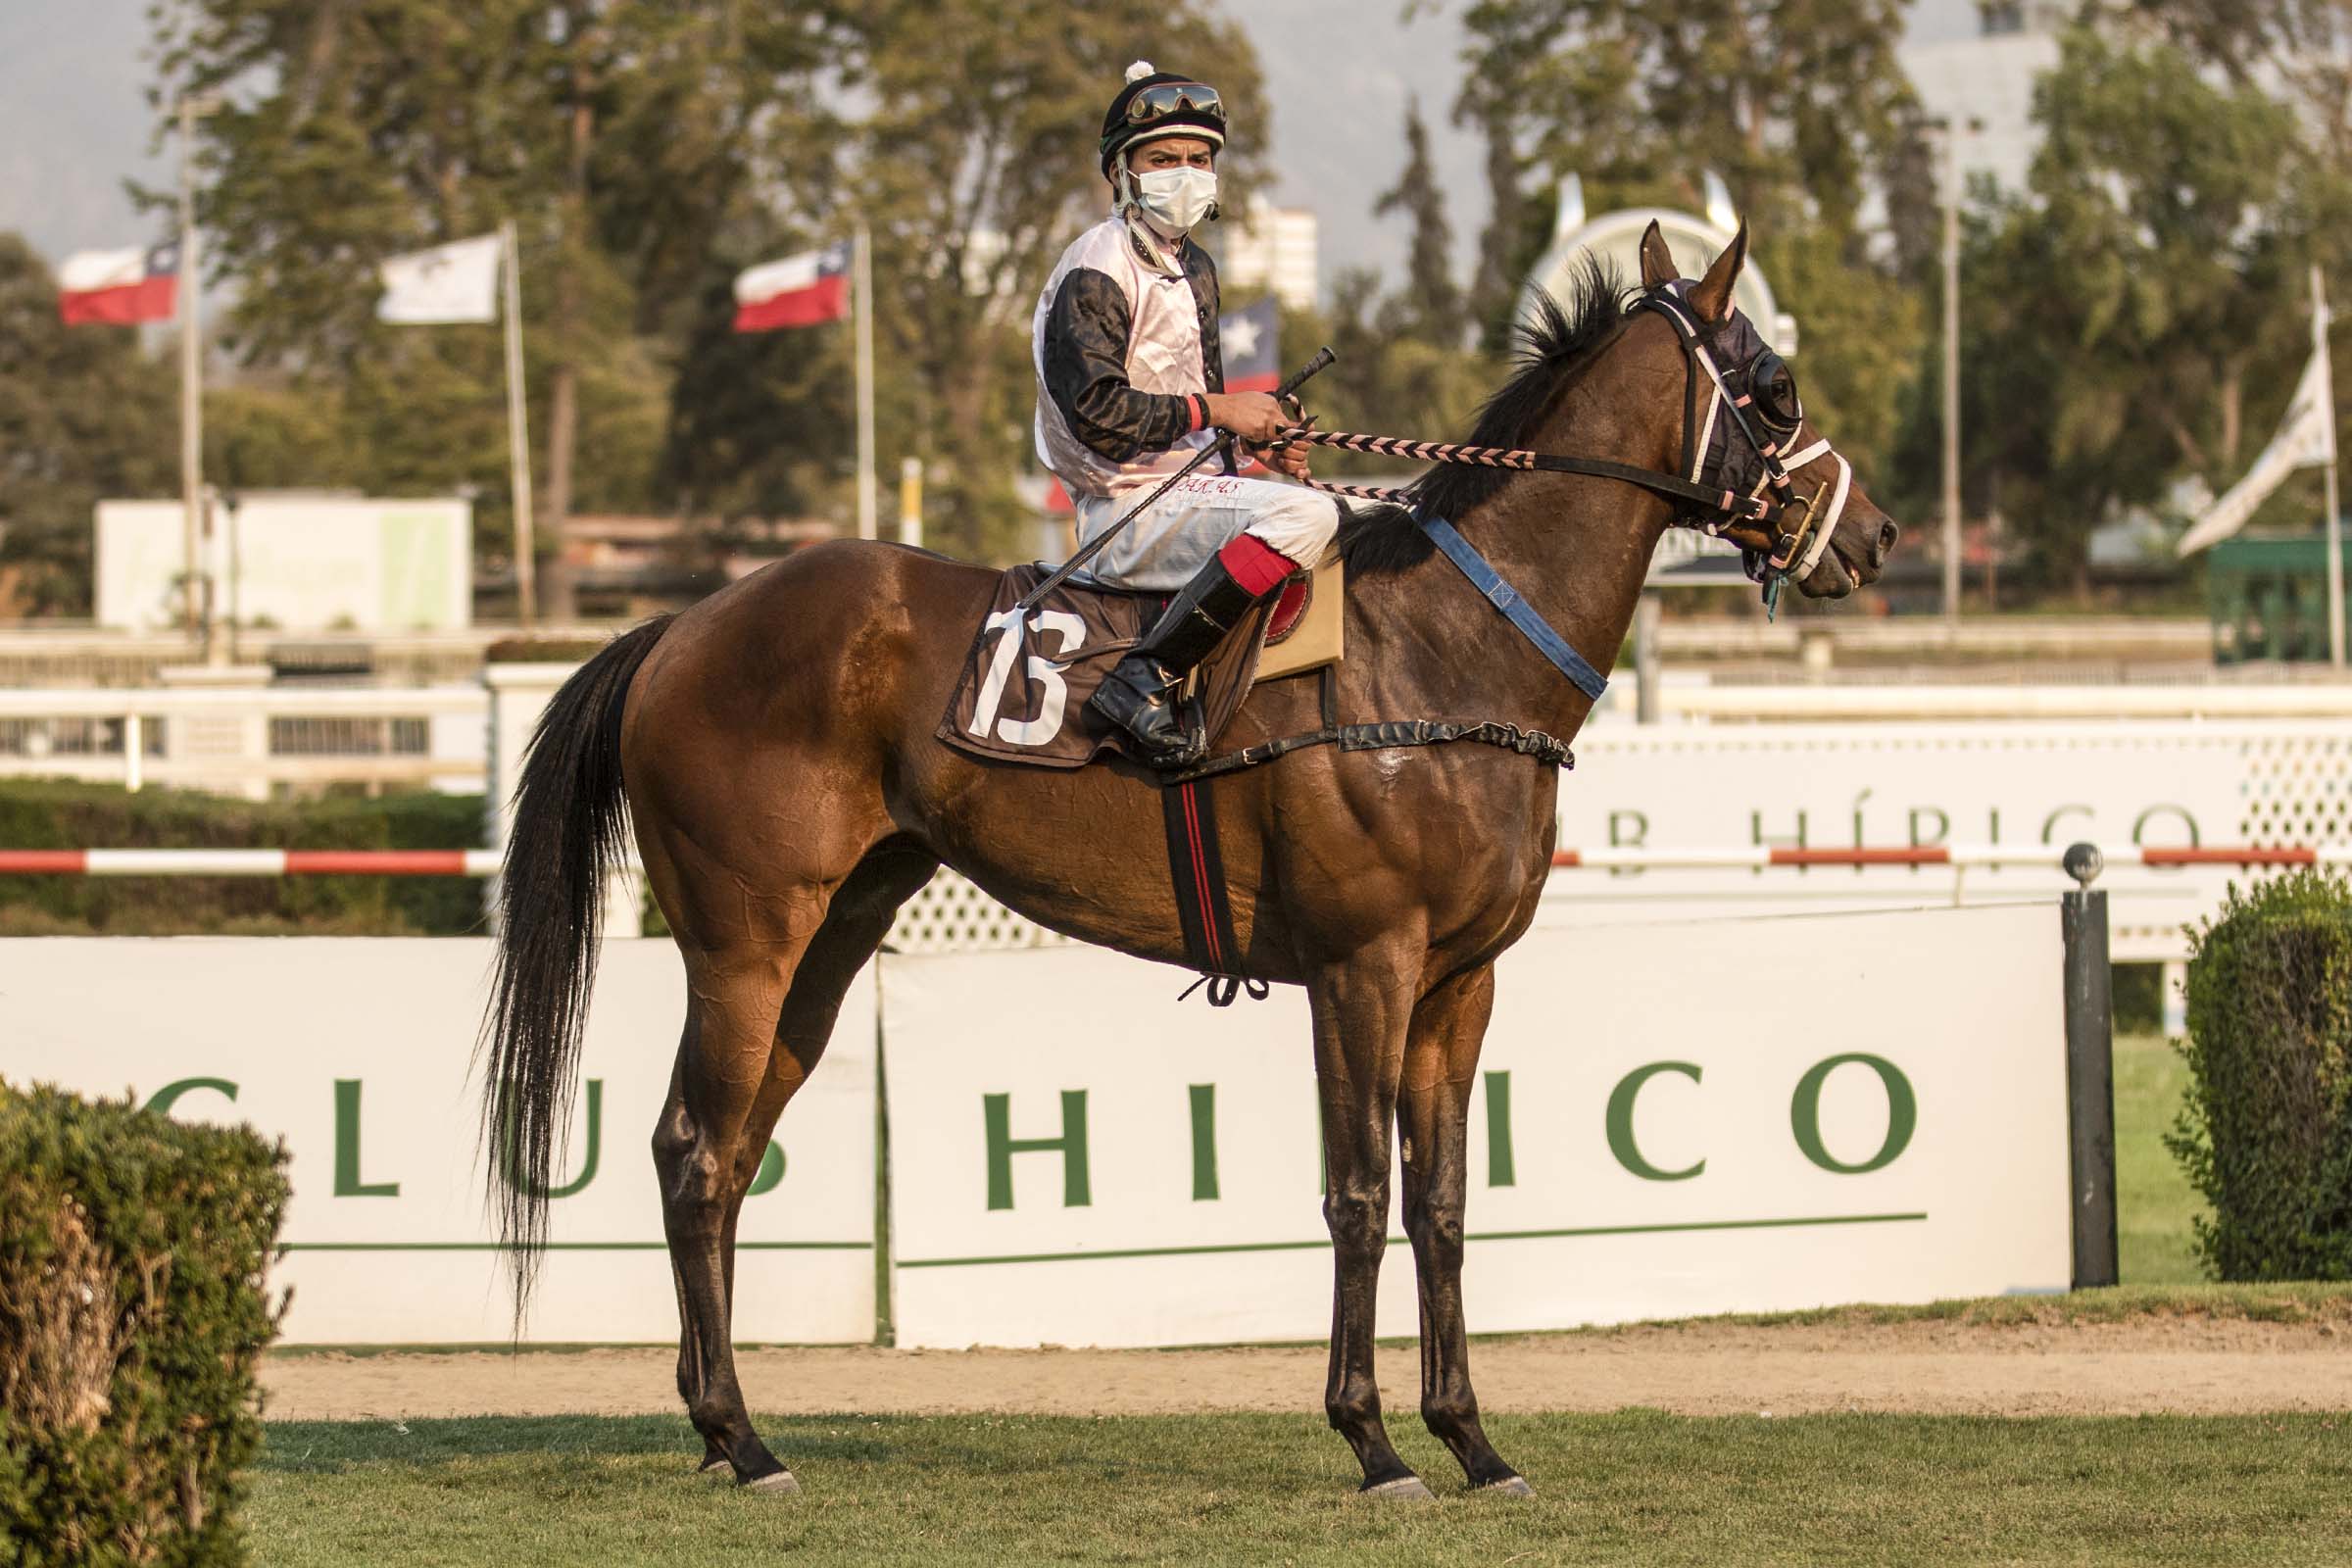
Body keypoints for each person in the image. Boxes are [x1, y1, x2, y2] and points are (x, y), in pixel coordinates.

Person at [1032, 62, 1342, 767]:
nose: (1186, 174)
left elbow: (1199, 418)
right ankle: (1144, 677)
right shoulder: (1096, 266)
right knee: (1309, 517)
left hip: (1188, 491)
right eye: (1163, 159)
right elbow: (1096, 413)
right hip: (1123, 511)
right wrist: (1223, 408)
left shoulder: (1194, 264)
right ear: (1122, 173)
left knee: (1367, 515)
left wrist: (1258, 444)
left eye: (1199, 160)